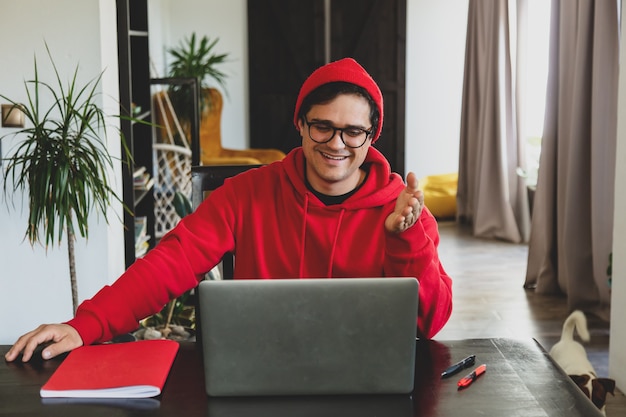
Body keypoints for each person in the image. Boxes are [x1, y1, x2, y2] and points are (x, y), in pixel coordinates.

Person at [6, 57, 453, 363]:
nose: (337, 144)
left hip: (366, 372)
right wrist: (86, 326)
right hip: (261, 367)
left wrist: (404, 239)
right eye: (323, 126)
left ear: (371, 136)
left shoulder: (403, 209)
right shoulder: (247, 193)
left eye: (354, 131)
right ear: (300, 123)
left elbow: (429, 324)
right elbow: (171, 261)